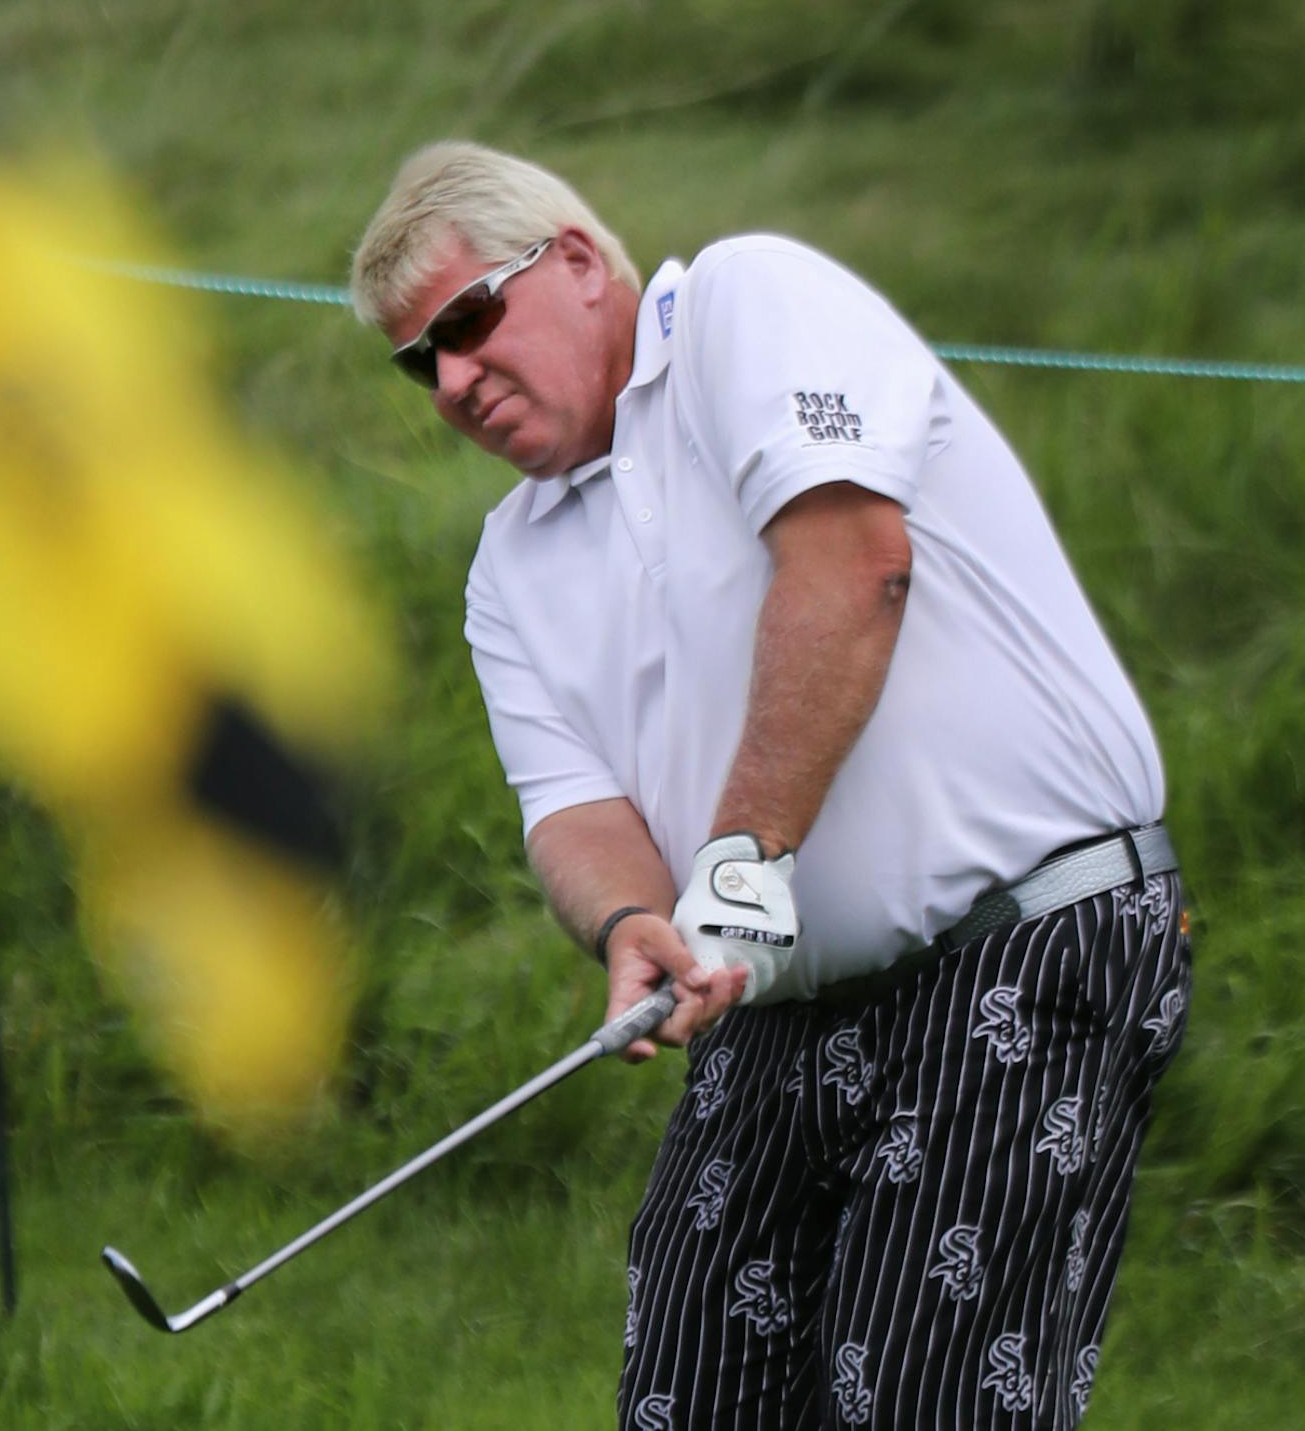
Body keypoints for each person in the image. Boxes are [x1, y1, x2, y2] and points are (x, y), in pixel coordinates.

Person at [350, 141, 1191, 1429]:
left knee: (928, 1398)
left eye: (470, 319)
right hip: (774, 1005)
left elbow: (854, 564)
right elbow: (575, 813)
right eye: (424, 361)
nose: (456, 379)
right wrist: (635, 924)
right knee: (688, 1392)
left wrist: (738, 860)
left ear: (577, 263)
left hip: (1025, 941)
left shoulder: (744, 305)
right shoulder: (507, 571)